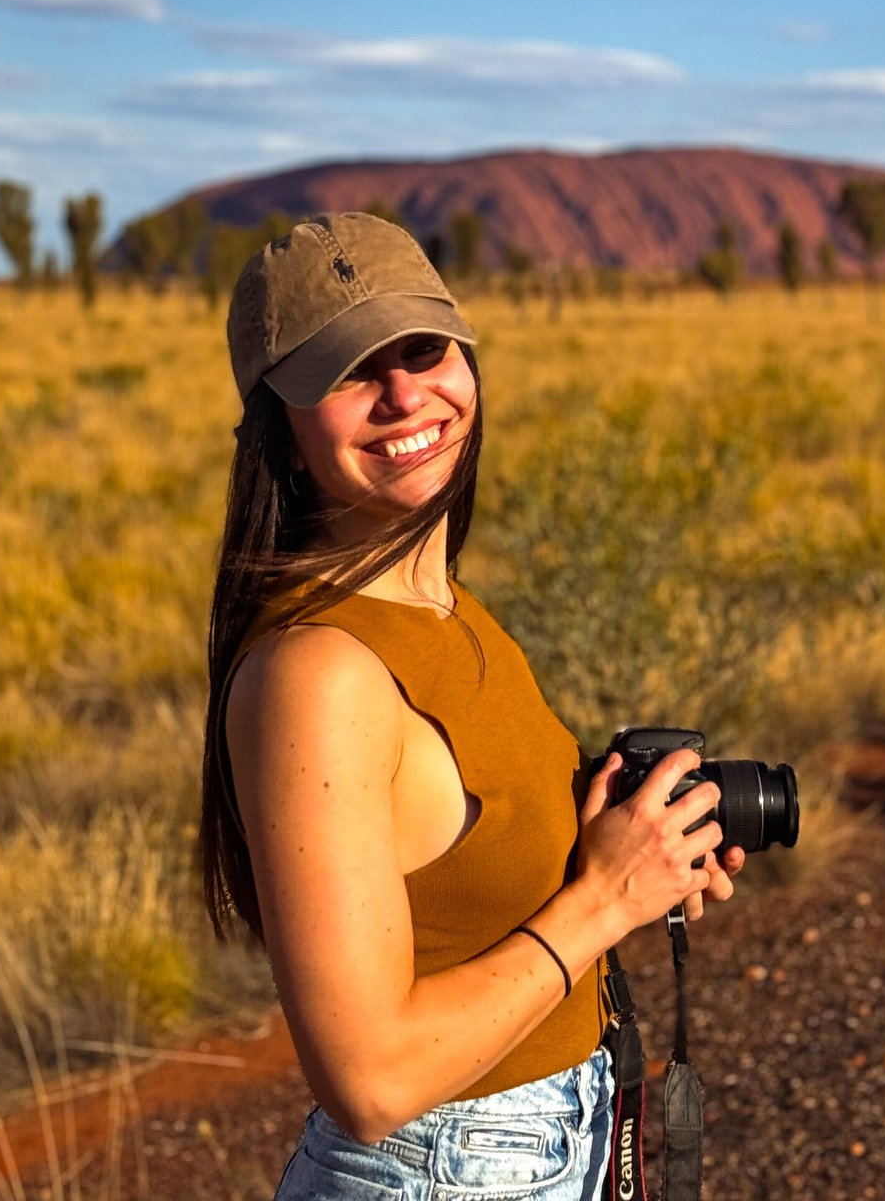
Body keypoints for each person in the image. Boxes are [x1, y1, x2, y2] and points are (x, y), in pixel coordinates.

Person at [199, 212, 745, 1200]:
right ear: (278, 421)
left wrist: (637, 861)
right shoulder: (317, 673)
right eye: (349, 371)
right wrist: (601, 900)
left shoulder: (447, 608)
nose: (404, 393)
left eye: (422, 349)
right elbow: (370, 1081)